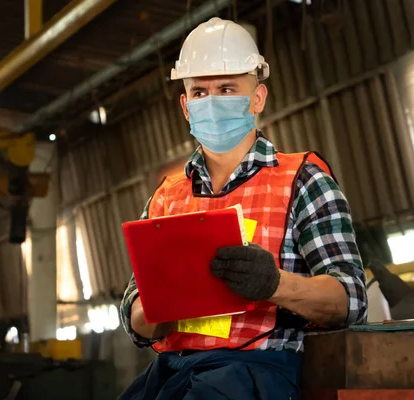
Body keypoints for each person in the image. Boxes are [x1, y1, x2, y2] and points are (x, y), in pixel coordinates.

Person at [119, 17, 367, 400]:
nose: (212, 101)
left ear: (257, 98)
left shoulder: (302, 180)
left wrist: (274, 284)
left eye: (227, 88)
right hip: (171, 372)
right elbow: (134, 318)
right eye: (199, 92)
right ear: (185, 106)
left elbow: (350, 298)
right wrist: (161, 307)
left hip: (256, 373)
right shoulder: (165, 198)